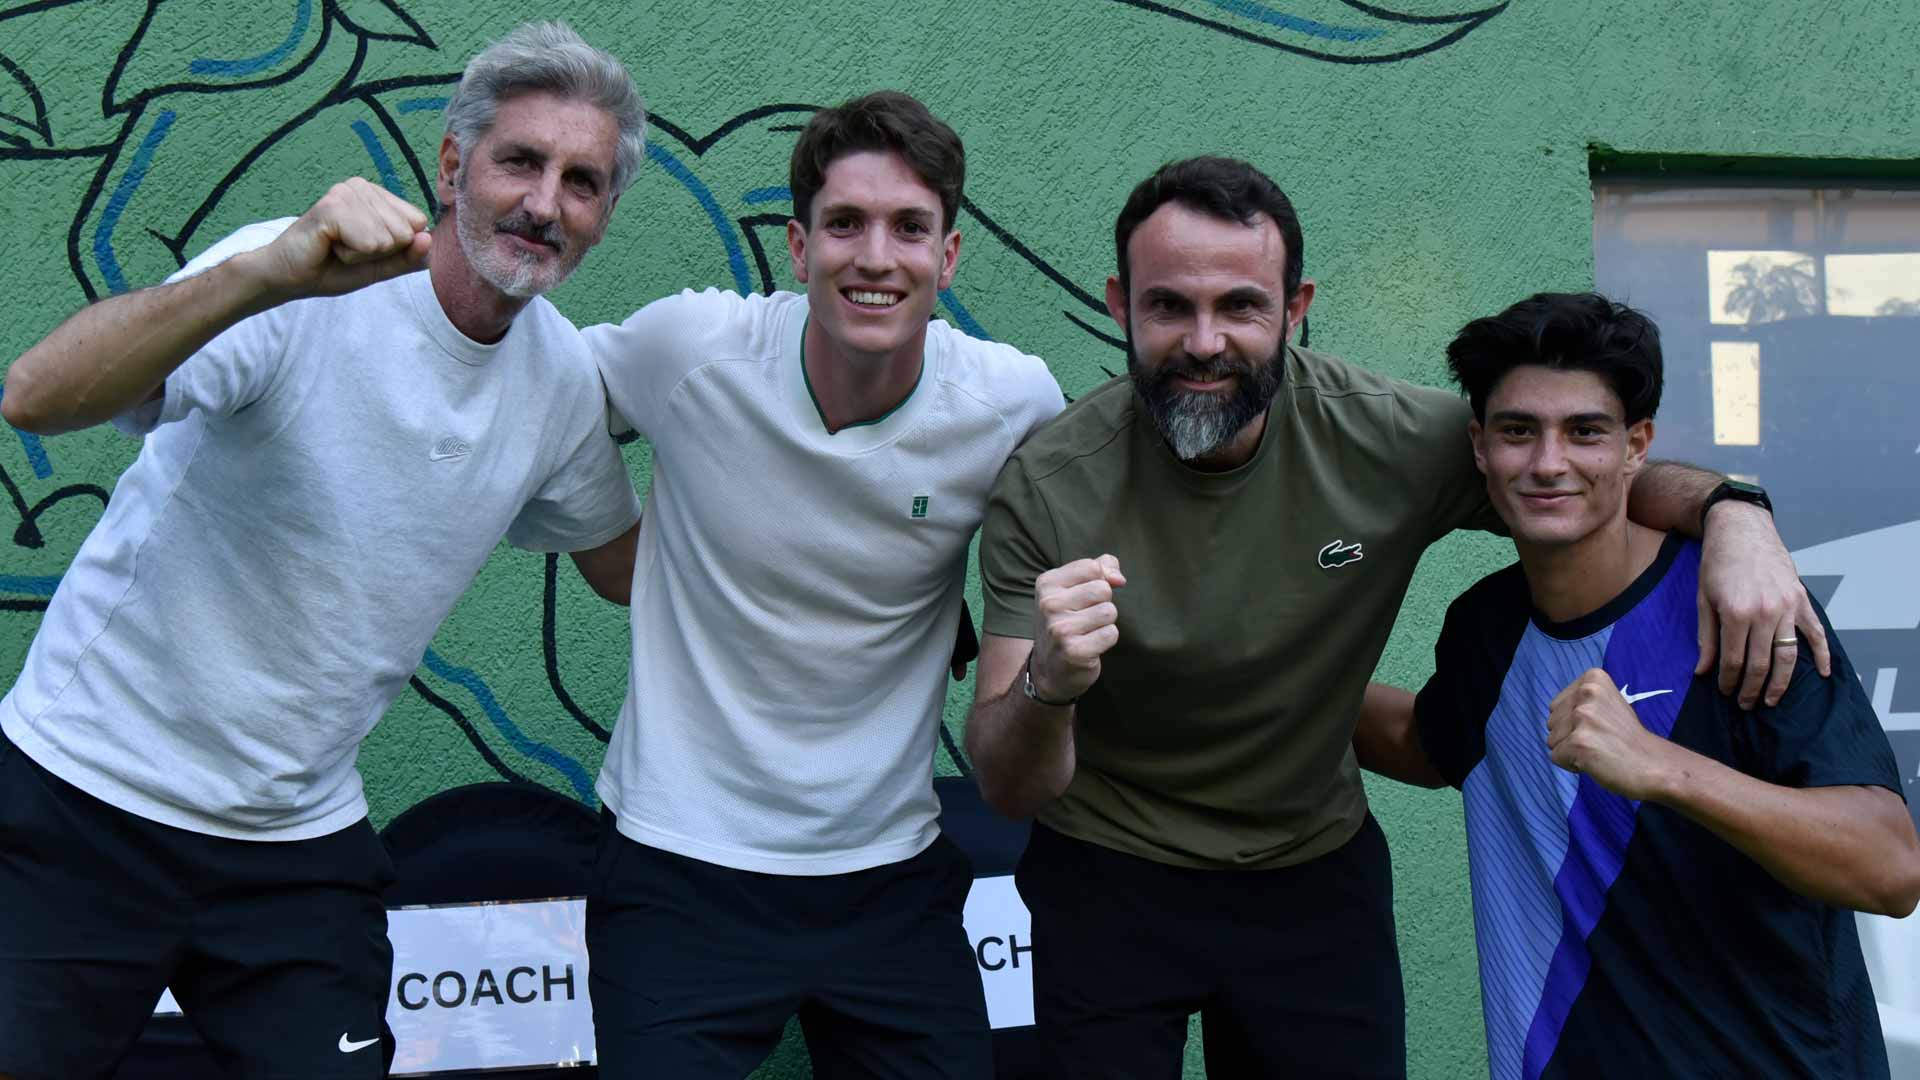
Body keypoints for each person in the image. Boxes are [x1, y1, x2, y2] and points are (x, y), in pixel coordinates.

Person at [965, 156, 1830, 1079]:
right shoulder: (1050, 484)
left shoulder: (1388, 435)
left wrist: (1735, 508)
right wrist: (1049, 688)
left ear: (1295, 310)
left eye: (1242, 307)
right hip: (1105, 872)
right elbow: (1010, 784)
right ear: (1119, 302)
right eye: (1170, 305)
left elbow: (1574, 475)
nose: (1205, 341)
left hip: (1311, 875)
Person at [0, 22, 644, 1077]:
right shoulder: (299, 286)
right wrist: (272, 272)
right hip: (85, 799)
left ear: (603, 218)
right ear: (452, 164)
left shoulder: (561, 385)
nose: (544, 203)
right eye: (519, 161)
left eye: (582, 181)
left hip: (292, 847)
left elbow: (628, 572)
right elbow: (36, 395)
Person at [580, 91, 1064, 1077]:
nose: (875, 257)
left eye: (908, 228)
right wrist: (611, 546)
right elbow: (543, 403)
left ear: (948, 257)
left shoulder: (1012, 404)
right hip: (677, 860)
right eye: (844, 224)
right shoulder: (693, 350)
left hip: (890, 871)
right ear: (799, 249)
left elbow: (1120, 489)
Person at [1351, 291, 1920, 1079]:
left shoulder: (1742, 606)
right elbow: (1426, 739)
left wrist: (1663, 768)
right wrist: (1262, 674)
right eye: (1519, 431)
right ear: (1480, 447)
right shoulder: (1484, 627)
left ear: (1636, 445)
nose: (1549, 463)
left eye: (1585, 431)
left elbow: (1889, 867)